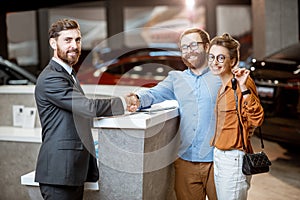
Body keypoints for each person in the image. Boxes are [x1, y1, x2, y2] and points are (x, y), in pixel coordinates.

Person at [34, 18, 125, 200]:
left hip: (72, 173)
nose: (74, 46)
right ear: (53, 43)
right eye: (67, 40)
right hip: (59, 174)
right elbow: (88, 108)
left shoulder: (68, 74)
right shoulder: (51, 78)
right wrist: (123, 103)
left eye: (77, 40)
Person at [126, 28, 221, 200]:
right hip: (187, 162)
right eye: (184, 47)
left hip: (219, 161)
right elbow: (154, 93)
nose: (188, 50)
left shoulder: (222, 77)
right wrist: (138, 98)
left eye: (194, 45)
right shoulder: (176, 78)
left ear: (207, 47)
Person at [208, 33, 264, 200]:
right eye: (211, 57)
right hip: (220, 154)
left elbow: (257, 118)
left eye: (220, 58)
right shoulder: (223, 85)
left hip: (233, 158)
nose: (214, 62)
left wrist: (244, 88)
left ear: (232, 61)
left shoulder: (242, 83)